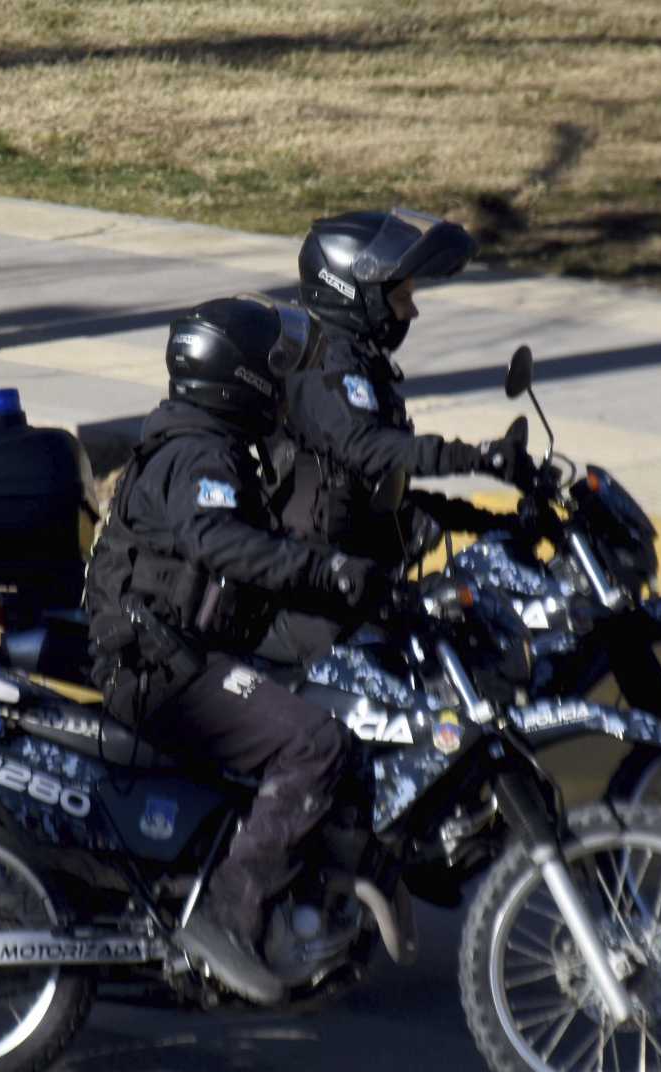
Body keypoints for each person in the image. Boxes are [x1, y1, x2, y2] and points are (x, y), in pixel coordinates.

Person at [83, 294, 381, 1006]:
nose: (285, 384)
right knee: (313, 742)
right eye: (276, 369)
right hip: (163, 672)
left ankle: (297, 894)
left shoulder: (205, 441)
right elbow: (218, 542)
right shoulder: (199, 454)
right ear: (240, 377)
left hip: (180, 653)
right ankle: (228, 913)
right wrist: (324, 571)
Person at [259, 208, 532, 662]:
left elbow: (378, 494)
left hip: (352, 576)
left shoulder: (358, 362)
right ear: (354, 294)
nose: (413, 310)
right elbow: (368, 451)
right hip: (313, 598)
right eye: (402, 297)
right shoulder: (323, 365)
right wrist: (480, 457)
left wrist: (492, 523)